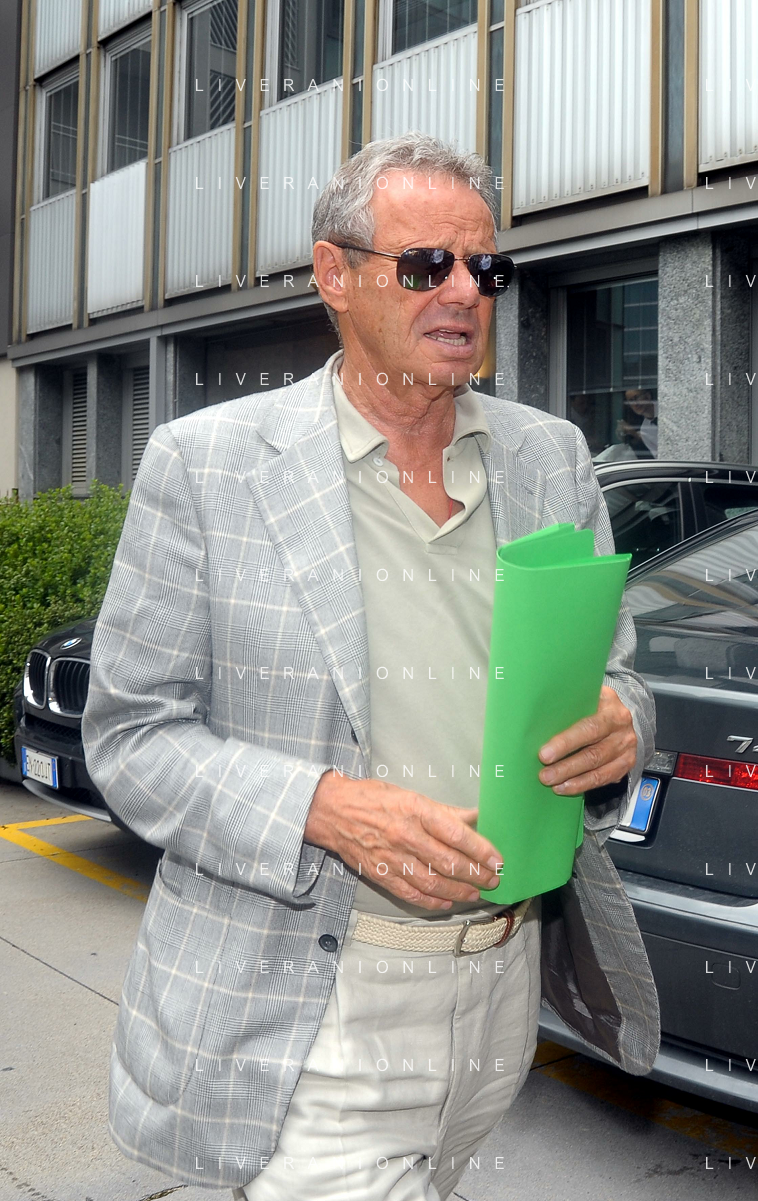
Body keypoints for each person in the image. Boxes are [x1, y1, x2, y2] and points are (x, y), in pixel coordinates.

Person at [81, 132, 659, 1200]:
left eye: (483, 267)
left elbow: (614, 676)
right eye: (426, 264)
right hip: (317, 1003)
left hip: (504, 995)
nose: (463, 292)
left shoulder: (549, 457)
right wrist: (322, 808)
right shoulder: (206, 466)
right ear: (334, 274)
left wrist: (622, 724)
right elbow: (130, 736)